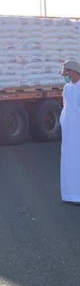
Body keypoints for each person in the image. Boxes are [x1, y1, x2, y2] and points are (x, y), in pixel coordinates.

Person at [60, 60, 80, 204]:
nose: (66, 76)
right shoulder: (67, 88)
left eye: (67, 73)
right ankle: (69, 194)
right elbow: (65, 107)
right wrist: (63, 122)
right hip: (69, 130)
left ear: (74, 72)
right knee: (69, 160)